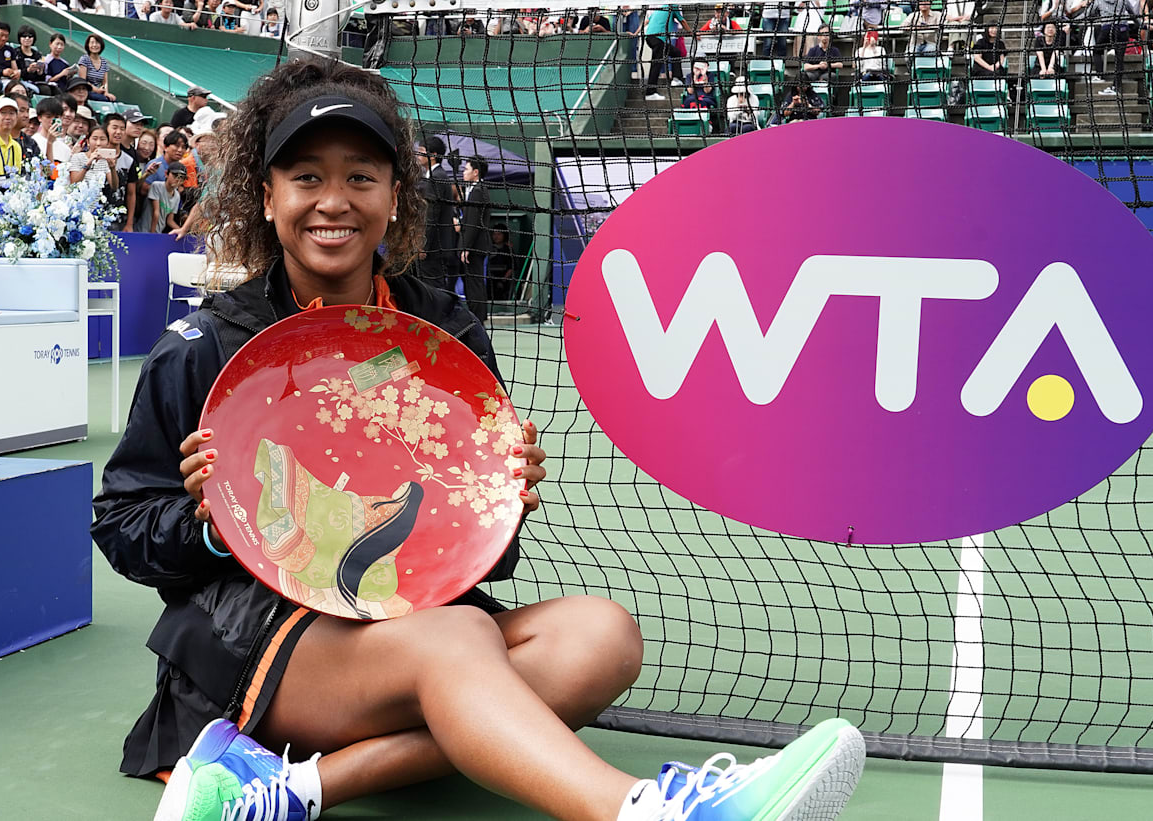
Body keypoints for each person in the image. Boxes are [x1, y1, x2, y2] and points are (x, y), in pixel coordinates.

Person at [91, 54, 866, 821]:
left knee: (603, 638)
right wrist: (215, 523)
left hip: (407, 621)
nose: (335, 201)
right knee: (461, 634)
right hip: (251, 639)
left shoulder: (444, 333)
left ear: (395, 197)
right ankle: (651, 813)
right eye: (307, 178)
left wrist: (495, 502)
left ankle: (285, 789)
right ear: (267, 197)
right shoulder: (205, 349)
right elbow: (123, 524)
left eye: (361, 177)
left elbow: (471, 554)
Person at [414, 135, 458, 291]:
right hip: (437, 248)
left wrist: (422, 245)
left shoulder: (436, 178)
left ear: (433, 155)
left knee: (432, 289)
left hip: (434, 249)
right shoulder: (434, 177)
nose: (418, 156)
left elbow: (431, 214)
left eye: (421, 152)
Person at [459, 155, 493, 322]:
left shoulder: (478, 191)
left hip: (475, 247)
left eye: (466, 169)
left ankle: (477, 318)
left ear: (476, 172)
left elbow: (473, 222)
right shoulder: (477, 190)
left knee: (474, 283)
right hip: (477, 246)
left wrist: (466, 247)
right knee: (474, 282)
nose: (463, 172)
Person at [1088, 0, 1137, 96]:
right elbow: (1132, 13)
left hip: (1107, 29)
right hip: (1122, 29)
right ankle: (1116, 87)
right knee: (1119, 59)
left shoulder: (1098, 1)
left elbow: (1089, 14)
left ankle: (1100, 75)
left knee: (1097, 51)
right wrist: (1140, 24)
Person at [642, 4, 689, 101]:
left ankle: (676, 79)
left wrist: (635, 33)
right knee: (656, 64)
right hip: (658, 38)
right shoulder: (673, 5)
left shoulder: (660, 8)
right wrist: (693, 33)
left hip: (650, 38)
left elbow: (647, 21)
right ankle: (650, 92)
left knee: (676, 52)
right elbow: (683, 21)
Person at [103, 111, 137, 230]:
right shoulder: (95, 155)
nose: (118, 132)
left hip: (117, 219)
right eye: (114, 128)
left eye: (122, 128)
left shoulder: (129, 160)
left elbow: (131, 193)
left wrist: (129, 223)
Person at [67, 122, 118, 197]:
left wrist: (113, 168)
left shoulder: (106, 161)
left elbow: (114, 187)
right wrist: (88, 164)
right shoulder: (77, 157)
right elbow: (74, 183)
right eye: (94, 139)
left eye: (102, 139)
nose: (98, 143)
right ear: (88, 142)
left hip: (95, 205)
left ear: (107, 143)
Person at [144, 158, 184, 232]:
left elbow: (169, 220)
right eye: (175, 175)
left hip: (158, 233)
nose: (178, 179)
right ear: (166, 174)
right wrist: (152, 235)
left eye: (181, 177)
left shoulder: (177, 196)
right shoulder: (156, 186)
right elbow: (156, 213)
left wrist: (182, 230)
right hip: (145, 231)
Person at [76, 34, 117, 102]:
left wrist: (106, 93)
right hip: (85, 91)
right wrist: (97, 90)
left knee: (112, 100)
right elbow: (83, 80)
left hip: (98, 92)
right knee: (102, 99)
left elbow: (105, 82)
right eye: (92, 43)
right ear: (88, 45)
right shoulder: (84, 59)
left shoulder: (104, 62)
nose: (94, 45)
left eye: (97, 43)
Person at [486, 222, 518, 300]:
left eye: (499, 234)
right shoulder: (489, 248)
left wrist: (503, 280)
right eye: (494, 234)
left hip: (503, 281)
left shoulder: (507, 250)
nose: (496, 237)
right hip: (489, 280)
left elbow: (512, 267)